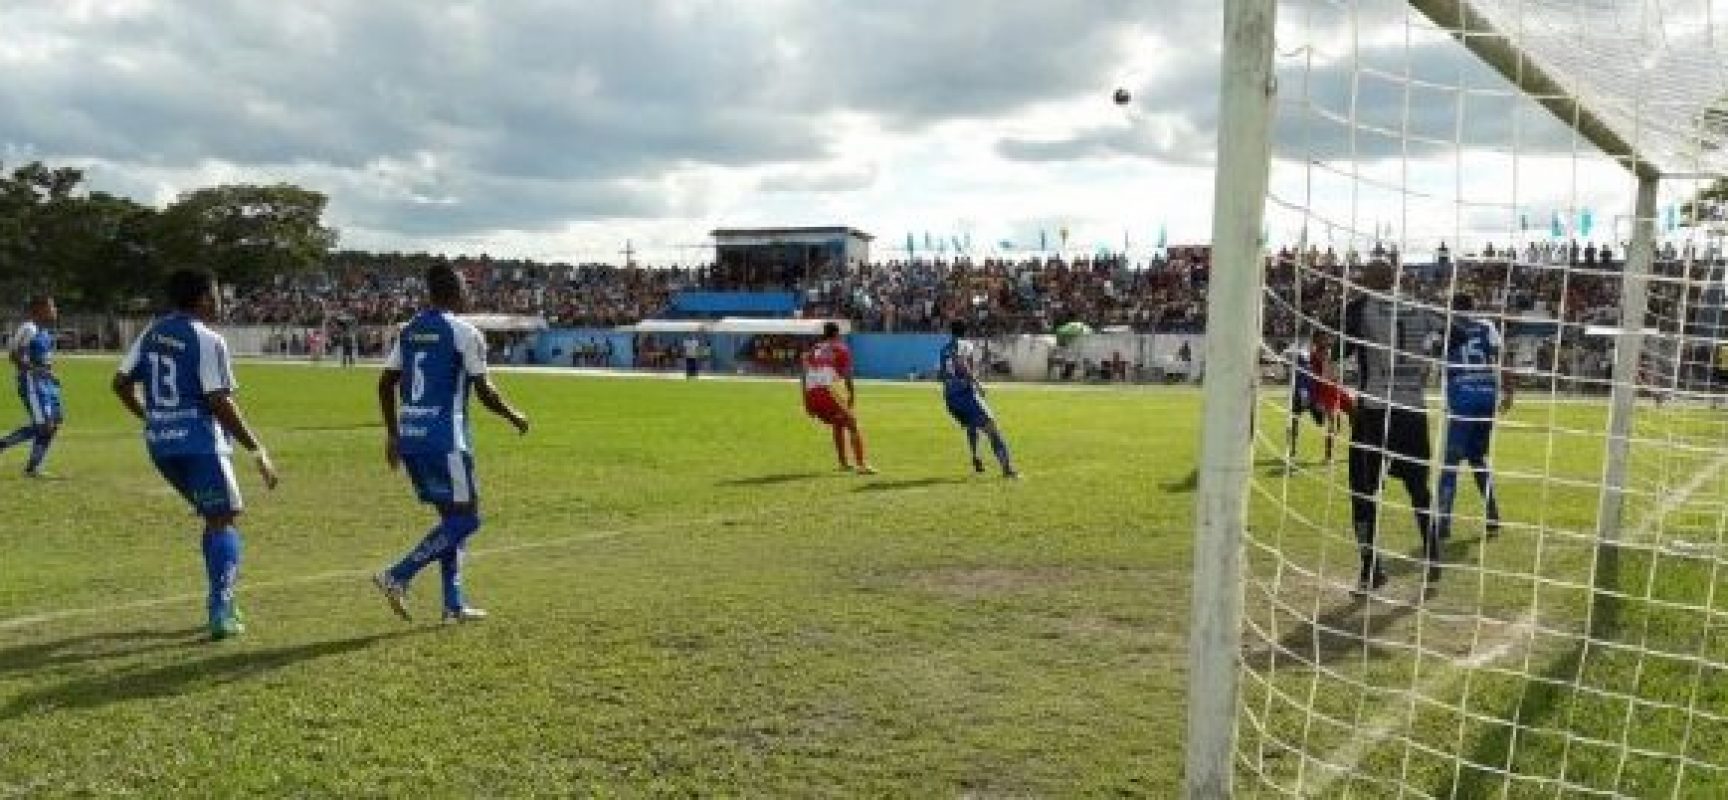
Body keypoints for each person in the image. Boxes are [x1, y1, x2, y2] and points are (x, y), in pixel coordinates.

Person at [112, 270, 280, 641]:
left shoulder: (152, 332)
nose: (221, 301)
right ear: (204, 298)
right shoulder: (207, 339)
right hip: (199, 443)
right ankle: (221, 609)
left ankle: (220, 599)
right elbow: (218, 400)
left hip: (161, 445)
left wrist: (151, 417)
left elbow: (120, 383)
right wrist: (257, 450)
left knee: (214, 514)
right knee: (223, 517)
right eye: (217, 294)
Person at [374, 264, 529, 624]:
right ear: (456, 291)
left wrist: (393, 433)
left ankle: (453, 604)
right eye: (465, 287)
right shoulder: (465, 333)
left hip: (413, 437)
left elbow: (385, 383)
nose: (468, 293)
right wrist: (514, 415)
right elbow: (485, 391)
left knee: (451, 521)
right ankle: (397, 575)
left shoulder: (409, 331)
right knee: (468, 518)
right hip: (446, 438)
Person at [1343, 260, 1445, 595]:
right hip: (1413, 410)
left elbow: (1341, 348)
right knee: (1419, 488)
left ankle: (1370, 569)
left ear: (1367, 282)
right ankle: (1432, 555)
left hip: (1375, 410)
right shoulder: (1418, 307)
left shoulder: (1359, 309)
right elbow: (1451, 332)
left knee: (1363, 490)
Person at [1436, 293, 1513, 540]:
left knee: (1451, 460)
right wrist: (1509, 390)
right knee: (1477, 457)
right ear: (1474, 306)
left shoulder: (1446, 326)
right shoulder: (1487, 324)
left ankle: (1443, 521)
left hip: (1463, 395)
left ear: (1453, 308)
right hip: (1487, 393)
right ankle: (1492, 513)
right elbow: (1502, 357)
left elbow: (1431, 352)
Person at [940, 321, 1017, 478]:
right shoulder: (965, 344)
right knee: (992, 429)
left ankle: (976, 456)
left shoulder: (944, 349)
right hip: (965, 394)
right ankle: (1007, 470)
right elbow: (961, 364)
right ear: (965, 332)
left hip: (950, 398)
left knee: (972, 426)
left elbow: (942, 374)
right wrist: (976, 383)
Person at [0, 296, 63, 477]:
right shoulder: (29, 328)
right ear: (39, 310)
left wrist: (51, 375)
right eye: (52, 307)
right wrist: (40, 372)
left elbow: (43, 359)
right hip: (32, 382)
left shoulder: (45, 331)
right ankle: (5, 445)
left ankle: (33, 468)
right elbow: (14, 356)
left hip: (46, 383)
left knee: (55, 422)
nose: (55, 310)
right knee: (44, 425)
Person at [801, 321, 873, 474]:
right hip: (826, 390)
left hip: (810, 393)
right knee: (852, 423)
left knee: (838, 422)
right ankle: (861, 465)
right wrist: (851, 394)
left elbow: (804, 374)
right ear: (837, 334)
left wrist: (806, 402)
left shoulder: (814, 349)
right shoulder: (841, 348)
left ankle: (843, 463)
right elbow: (847, 375)